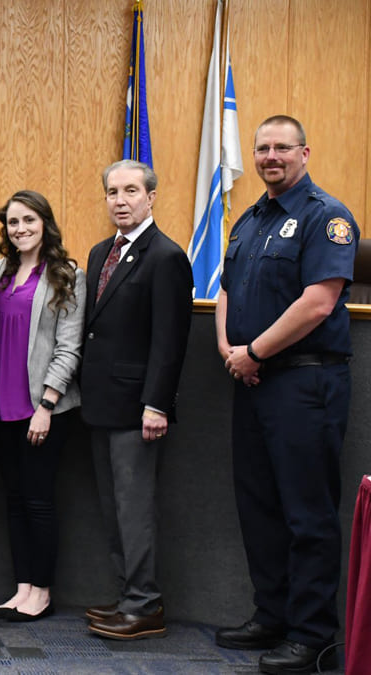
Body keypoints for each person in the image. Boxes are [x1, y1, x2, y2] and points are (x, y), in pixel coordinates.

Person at [213, 115, 354, 674]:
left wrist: (256, 352)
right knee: (259, 508)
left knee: (307, 514)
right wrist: (230, 350)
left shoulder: (327, 217)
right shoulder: (249, 220)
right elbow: (223, 291)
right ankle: (270, 616)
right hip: (251, 380)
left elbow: (319, 302)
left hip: (304, 382)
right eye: (262, 148)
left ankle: (313, 635)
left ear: (305, 152)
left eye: (282, 148)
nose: (271, 156)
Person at [80, 159, 192, 640]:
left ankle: (146, 604)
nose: (120, 200)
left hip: (138, 408)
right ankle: (129, 596)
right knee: (112, 509)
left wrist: (157, 404)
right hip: (100, 403)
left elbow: (170, 341)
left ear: (151, 197)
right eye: (112, 192)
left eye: (130, 191)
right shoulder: (100, 251)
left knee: (135, 509)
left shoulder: (166, 256)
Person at [0, 190, 85, 622]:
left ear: (45, 223)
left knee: (39, 500)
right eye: (12, 222)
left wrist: (47, 403)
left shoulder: (66, 274)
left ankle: (42, 592)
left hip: (42, 408)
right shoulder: (0, 269)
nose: (20, 229)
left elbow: (69, 348)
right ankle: (22, 586)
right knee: (14, 499)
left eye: (28, 220)